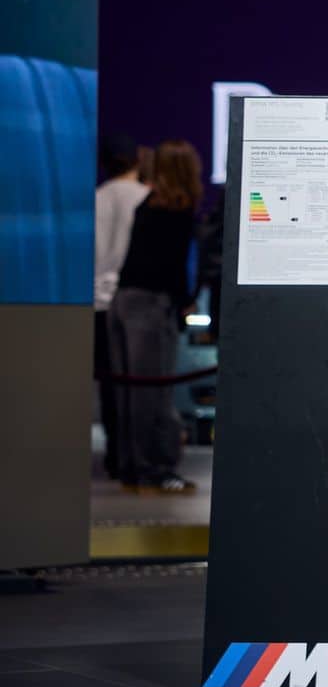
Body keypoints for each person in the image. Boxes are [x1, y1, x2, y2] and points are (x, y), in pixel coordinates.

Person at [109, 139, 202, 494]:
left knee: (130, 393)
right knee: (153, 392)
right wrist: (185, 302)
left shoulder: (147, 204)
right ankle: (156, 470)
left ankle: (133, 467)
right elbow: (174, 268)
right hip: (150, 306)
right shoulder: (178, 209)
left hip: (123, 301)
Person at [94, 134, 149, 479]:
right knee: (140, 386)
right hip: (133, 299)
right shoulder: (146, 197)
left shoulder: (97, 198)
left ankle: (117, 454)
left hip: (96, 302)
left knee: (110, 386)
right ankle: (135, 456)